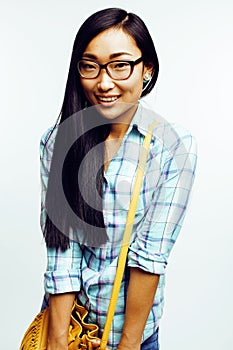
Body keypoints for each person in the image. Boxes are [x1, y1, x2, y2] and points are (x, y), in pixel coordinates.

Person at [39, 7, 197, 350]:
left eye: (120, 65)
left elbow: (149, 255)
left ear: (146, 69)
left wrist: (128, 344)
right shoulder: (59, 141)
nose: (104, 82)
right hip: (69, 327)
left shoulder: (173, 147)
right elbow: (62, 246)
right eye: (90, 66)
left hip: (132, 336)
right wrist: (57, 338)